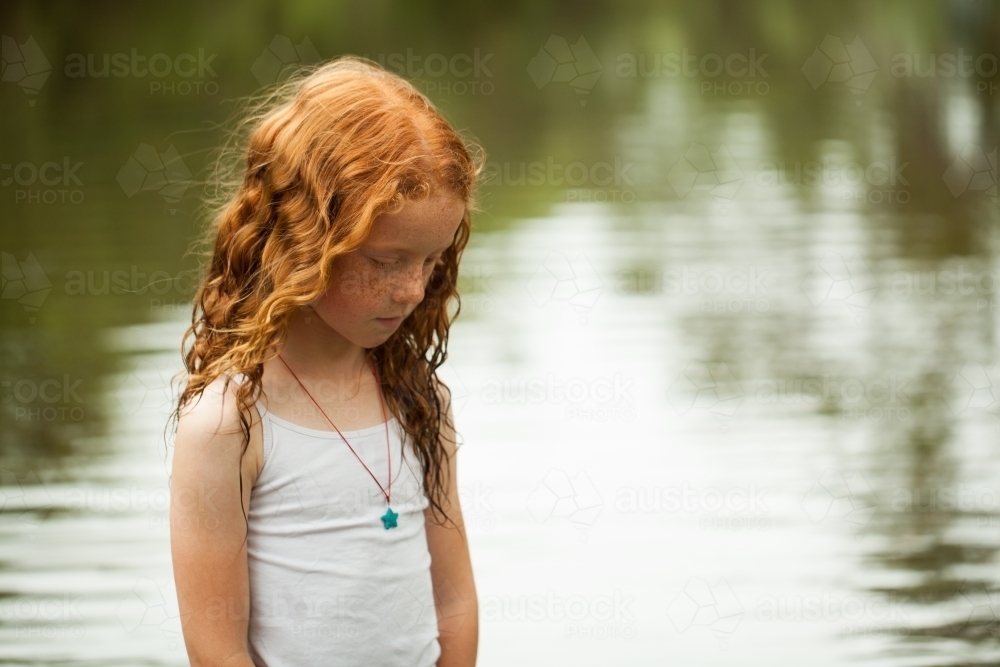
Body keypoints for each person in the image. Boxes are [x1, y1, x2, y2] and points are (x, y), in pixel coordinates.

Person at [168, 55, 483, 667]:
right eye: (389, 260)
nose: (415, 290)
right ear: (306, 239)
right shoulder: (231, 423)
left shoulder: (420, 400)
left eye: (430, 261)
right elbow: (216, 649)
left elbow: (454, 601)